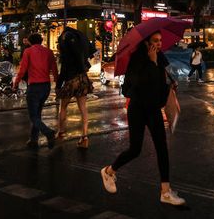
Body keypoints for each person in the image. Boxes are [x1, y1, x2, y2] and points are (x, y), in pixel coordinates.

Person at [100, 31, 186, 206]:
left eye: (161, 40)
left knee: (162, 148)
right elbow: (136, 85)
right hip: (138, 109)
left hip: (153, 108)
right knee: (135, 149)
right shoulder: (137, 60)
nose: (159, 44)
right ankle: (109, 171)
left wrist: (170, 86)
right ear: (146, 42)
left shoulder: (160, 58)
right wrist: (152, 63)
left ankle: (165, 191)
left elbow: (159, 88)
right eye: (155, 40)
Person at [12, 33, 58, 150]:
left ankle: (48, 133)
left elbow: (22, 69)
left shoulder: (28, 52)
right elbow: (54, 69)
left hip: (34, 86)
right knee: (37, 114)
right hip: (46, 86)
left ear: (30, 42)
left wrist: (16, 83)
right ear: (41, 41)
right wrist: (57, 84)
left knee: (33, 116)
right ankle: (33, 140)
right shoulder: (49, 52)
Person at [55, 26, 94, 148]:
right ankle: (85, 137)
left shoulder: (66, 51)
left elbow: (63, 71)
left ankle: (61, 133)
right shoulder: (79, 43)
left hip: (70, 79)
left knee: (63, 107)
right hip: (82, 78)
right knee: (83, 108)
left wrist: (58, 85)